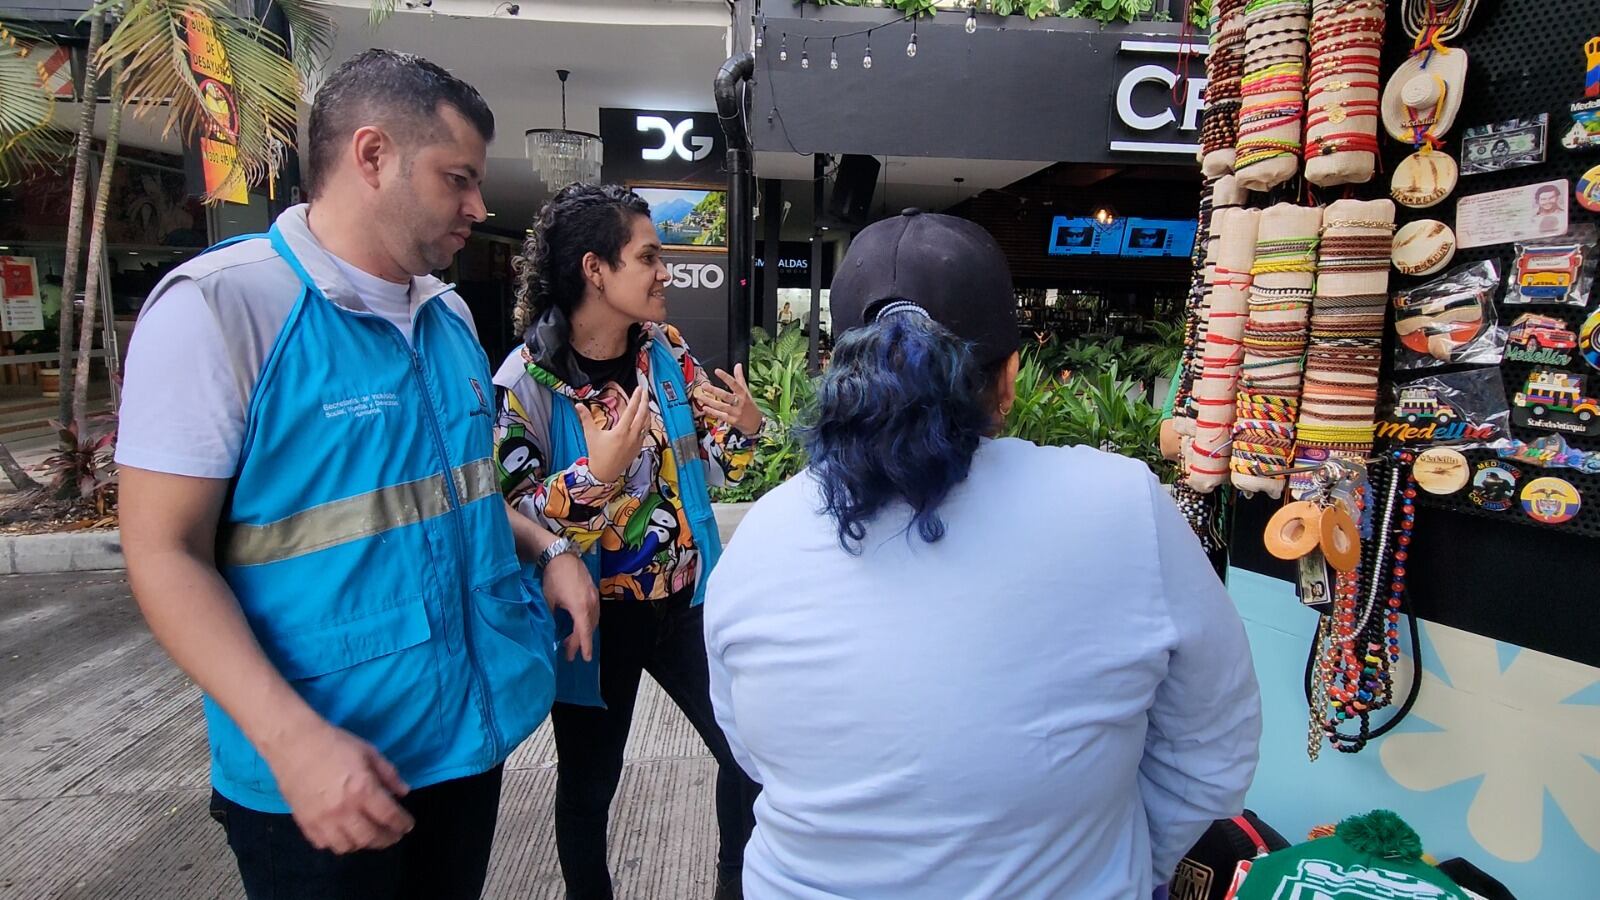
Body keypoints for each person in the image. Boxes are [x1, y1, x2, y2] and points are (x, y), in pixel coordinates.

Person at [116, 50, 597, 900]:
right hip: (322, 777)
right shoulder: (221, 311)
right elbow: (162, 554)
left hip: (461, 746)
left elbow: (459, 497)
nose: (479, 208)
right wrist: (292, 741)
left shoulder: (446, 316)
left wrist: (548, 546)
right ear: (371, 156)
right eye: (458, 179)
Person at [704, 210, 1263, 900]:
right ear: (1010, 379)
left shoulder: (761, 533)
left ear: (842, 375)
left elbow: (755, 751)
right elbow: (1214, 746)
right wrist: (1114, 865)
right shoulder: (1123, 506)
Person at [493, 183, 762, 900]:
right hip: (592, 626)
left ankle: (734, 886)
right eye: (649, 256)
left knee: (747, 754)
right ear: (595, 269)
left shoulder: (666, 351)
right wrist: (593, 478)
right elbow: (513, 519)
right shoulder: (526, 383)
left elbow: (722, 462)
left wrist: (745, 428)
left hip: (685, 603)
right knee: (588, 790)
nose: (664, 272)